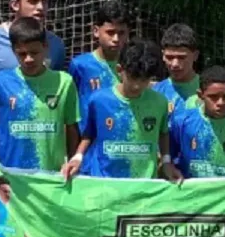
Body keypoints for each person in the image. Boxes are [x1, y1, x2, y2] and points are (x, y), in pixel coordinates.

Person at [62, 38, 181, 181]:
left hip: (143, 183)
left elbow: (163, 133)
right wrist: (77, 157)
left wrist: (166, 162)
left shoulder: (159, 102)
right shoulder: (99, 100)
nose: (137, 86)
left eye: (144, 80)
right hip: (104, 181)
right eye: (133, 78)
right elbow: (89, 134)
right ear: (119, 70)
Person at [0, 17, 80, 171]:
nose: (28, 59)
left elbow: (72, 128)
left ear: (46, 47)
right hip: (10, 174)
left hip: (51, 175)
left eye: (34, 52)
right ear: (13, 50)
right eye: (22, 53)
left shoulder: (64, 82)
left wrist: (74, 160)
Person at [170, 65, 225, 178]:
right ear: (200, 95)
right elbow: (167, 159)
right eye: (213, 97)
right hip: (190, 192)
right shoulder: (182, 121)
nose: (220, 102)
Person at [68, 0, 130, 126]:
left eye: (121, 33)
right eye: (110, 32)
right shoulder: (81, 65)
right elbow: (70, 108)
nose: (116, 39)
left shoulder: (132, 65)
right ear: (96, 31)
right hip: (89, 141)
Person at [153, 23, 201, 117]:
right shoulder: (155, 92)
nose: (175, 64)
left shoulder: (210, 92)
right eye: (169, 57)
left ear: (195, 55)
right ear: (163, 55)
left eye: (181, 57)